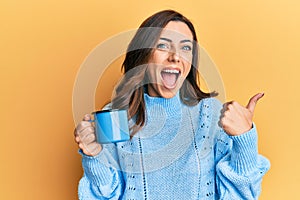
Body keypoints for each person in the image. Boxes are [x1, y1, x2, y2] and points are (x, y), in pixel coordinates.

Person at [74, 10, 270, 200]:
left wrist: (245, 138)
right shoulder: (115, 118)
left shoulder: (210, 114)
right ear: (144, 54)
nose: (175, 56)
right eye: (162, 45)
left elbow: (240, 195)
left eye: (186, 47)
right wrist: (94, 156)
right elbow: (105, 195)